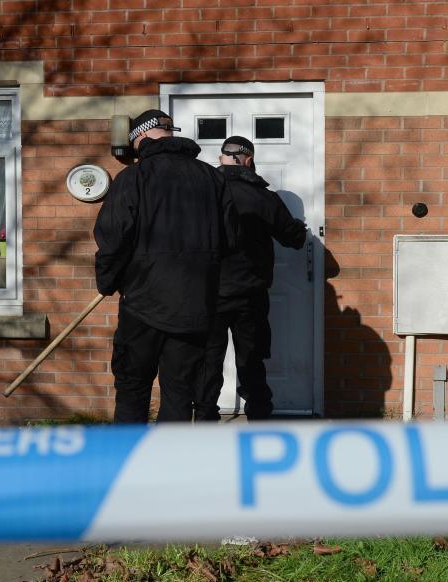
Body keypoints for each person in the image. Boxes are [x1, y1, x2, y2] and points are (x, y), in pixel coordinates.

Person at [94, 110, 236, 423]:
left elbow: (113, 237)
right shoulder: (213, 178)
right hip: (194, 306)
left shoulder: (134, 178)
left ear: (140, 138)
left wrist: (106, 281)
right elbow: (230, 239)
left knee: (133, 386)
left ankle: (128, 461)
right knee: (180, 391)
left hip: (144, 305)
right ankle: (171, 464)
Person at [196, 136, 307, 422]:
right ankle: (259, 417)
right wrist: (299, 228)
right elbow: (293, 238)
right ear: (247, 159)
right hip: (249, 292)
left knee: (209, 359)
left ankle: (205, 417)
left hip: (208, 292)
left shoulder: (202, 190)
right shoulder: (262, 196)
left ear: (222, 157)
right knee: (251, 358)